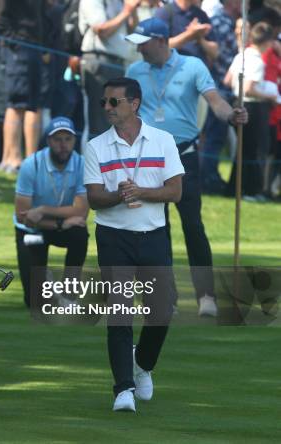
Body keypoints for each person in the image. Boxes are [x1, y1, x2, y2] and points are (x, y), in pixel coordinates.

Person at [125, 18, 248, 317]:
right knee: (155, 228)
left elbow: (215, 100)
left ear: (161, 40)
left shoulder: (192, 66)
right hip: (146, 158)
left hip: (184, 155)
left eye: (143, 42)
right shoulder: (134, 71)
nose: (138, 48)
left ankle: (207, 296)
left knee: (192, 225)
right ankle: (165, 296)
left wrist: (232, 115)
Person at [84, 77, 184, 412]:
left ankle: (142, 363)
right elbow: (95, 199)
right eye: (104, 103)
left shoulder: (163, 140)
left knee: (163, 309)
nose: (108, 108)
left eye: (114, 102)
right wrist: (120, 195)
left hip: (154, 234)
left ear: (134, 103)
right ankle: (123, 389)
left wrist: (140, 192)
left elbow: (175, 191)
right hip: (113, 237)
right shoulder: (96, 146)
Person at [14, 116, 89, 307]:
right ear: (48, 141)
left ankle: (68, 295)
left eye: (68, 139)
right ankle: (43, 281)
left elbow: (81, 212)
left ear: (74, 141)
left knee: (79, 234)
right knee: (34, 302)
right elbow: (23, 216)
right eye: (57, 139)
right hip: (33, 232)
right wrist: (60, 222)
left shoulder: (82, 164)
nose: (63, 145)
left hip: (60, 228)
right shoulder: (31, 165)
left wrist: (43, 210)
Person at [225, 22, 278, 201]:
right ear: (268, 42)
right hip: (253, 107)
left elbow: (228, 80)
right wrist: (270, 96)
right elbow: (248, 88)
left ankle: (235, 188)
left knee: (243, 149)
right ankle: (252, 190)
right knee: (255, 150)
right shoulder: (256, 61)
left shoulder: (241, 55)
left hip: (235, 103)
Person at [0, 0, 47, 172]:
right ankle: (12, 159)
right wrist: (15, 41)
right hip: (17, 47)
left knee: (30, 103)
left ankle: (20, 160)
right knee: (17, 102)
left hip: (33, 46)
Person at [79, 0, 140, 140]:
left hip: (116, 64)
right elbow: (102, 30)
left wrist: (132, 10)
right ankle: (95, 161)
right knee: (99, 122)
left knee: (114, 122)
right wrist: (126, 10)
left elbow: (134, 35)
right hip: (99, 62)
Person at [201, 0, 240, 195]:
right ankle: (208, 178)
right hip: (218, 86)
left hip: (220, 85)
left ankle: (210, 175)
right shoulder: (221, 23)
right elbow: (223, 57)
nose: (245, 5)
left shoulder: (227, 22)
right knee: (213, 137)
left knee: (216, 137)